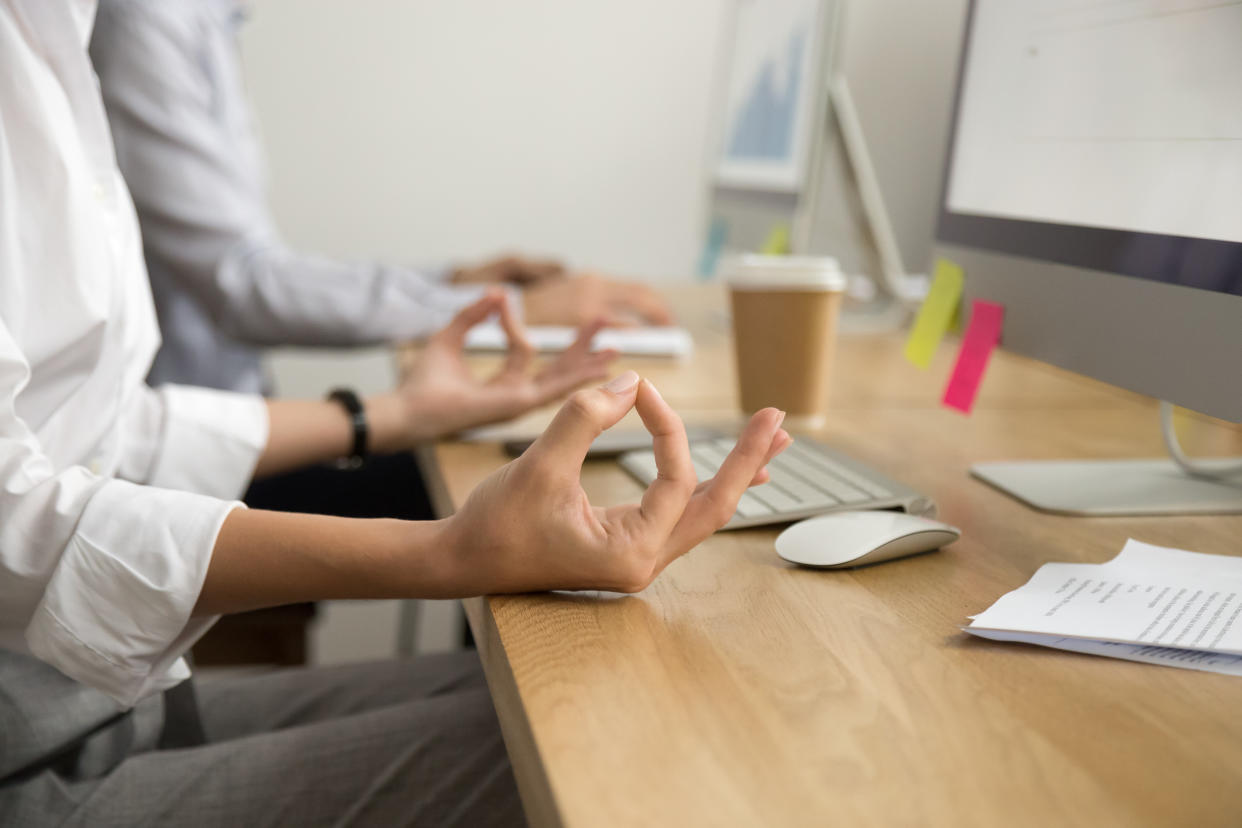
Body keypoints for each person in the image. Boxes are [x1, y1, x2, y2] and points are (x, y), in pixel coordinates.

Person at [0, 2, 792, 824]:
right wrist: (451, 551)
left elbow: (97, 430)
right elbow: (16, 509)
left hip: (84, 706)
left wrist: (391, 413)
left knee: (603, 686)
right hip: (31, 755)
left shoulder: (59, 32)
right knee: (633, 743)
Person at [89, 0, 674, 397]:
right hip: (186, 465)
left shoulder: (201, 18)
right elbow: (241, 287)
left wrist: (457, 281)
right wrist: (503, 310)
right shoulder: (149, 18)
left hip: (226, 425)